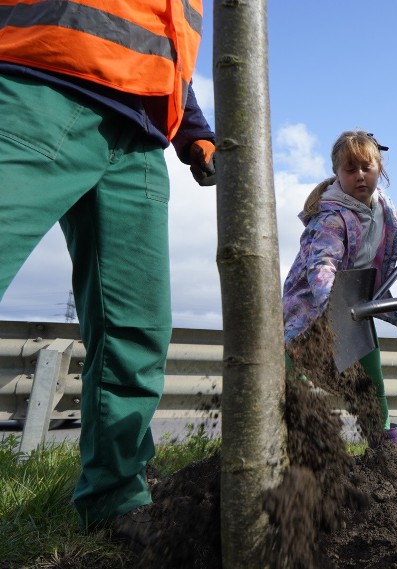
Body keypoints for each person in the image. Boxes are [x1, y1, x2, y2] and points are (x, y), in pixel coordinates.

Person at [0, 1, 216, 533]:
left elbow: (160, 44)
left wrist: (193, 130)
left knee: (136, 331)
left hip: (141, 137)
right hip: (38, 87)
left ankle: (115, 500)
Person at [282, 130, 397, 443]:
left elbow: (393, 215)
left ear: (380, 170)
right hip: (313, 306)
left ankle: (383, 444)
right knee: (297, 371)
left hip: (354, 303)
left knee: (371, 378)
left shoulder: (380, 203)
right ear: (337, 173)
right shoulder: (331, 218)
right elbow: (321, 265)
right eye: (350, 170)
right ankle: (295, 439)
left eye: (367, 168)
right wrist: (332, 304)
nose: (360, 177)